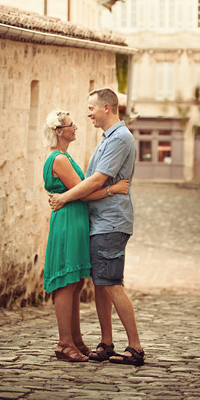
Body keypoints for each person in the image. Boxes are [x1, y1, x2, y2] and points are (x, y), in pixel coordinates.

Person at [49, 88, 145, 367]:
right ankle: (106, 343)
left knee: (112, 283)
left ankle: (135, 348)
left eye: (91, 107)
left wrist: (64, 198)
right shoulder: (108, 138)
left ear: (107, 108)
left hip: (111, 222)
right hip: (100, 221)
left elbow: (96, 181)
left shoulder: (119, 139)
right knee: (101, 283)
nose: (88, 112)